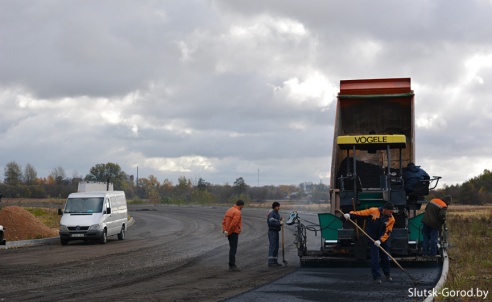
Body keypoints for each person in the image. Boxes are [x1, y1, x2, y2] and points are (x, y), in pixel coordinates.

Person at [344, 202, 395, 283]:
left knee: (385, 257)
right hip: (372, 238)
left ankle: (387, 275)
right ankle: (376, 277)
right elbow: (361, 214)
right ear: (385, 210)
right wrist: (350, 215)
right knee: (375, 258)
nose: (392, 213)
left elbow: (387, 232)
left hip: (382, 239)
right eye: (390, 211)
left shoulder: (391, 219)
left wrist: (380, 240)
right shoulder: (373, 211)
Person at [222, 199, 245, 272]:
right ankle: (232, 265)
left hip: (228, 232)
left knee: (231, 248)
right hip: (233, 232)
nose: (243, 207)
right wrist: (229, 231)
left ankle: (231, 264)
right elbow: (234, 223)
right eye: (243, 206)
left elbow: (224, 221)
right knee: (233, 249)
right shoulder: (237, 212)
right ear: (241, 205)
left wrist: (225, 230)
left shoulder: (229, 210)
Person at [267, 201, 284, 267]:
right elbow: (271, 222)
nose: (279, 207)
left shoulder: (277, 214)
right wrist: (279, 223)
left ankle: (275, 261)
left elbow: (277, 220)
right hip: (272, 232)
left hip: (276, 232)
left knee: (276, 247)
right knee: (273, 246)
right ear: (274, 207)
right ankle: (270, 262)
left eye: (279, 206)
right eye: (277, 206)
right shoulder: (272, 214)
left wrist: (280, 219)